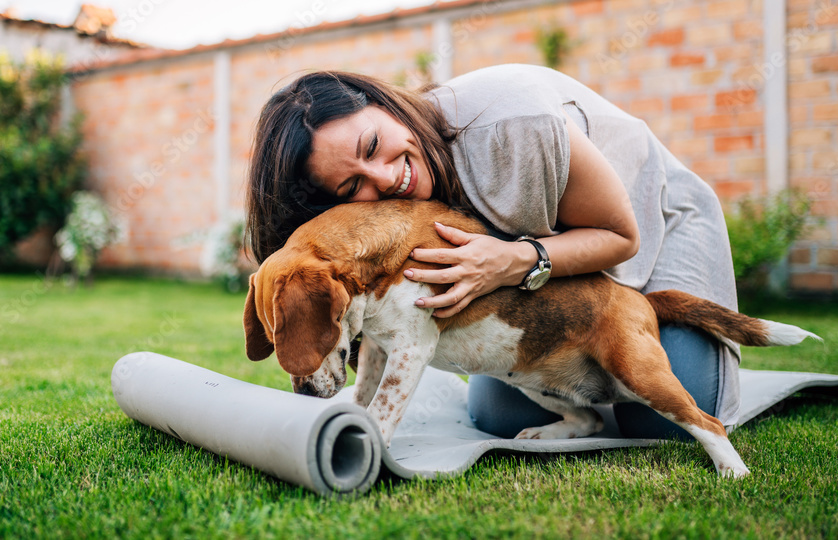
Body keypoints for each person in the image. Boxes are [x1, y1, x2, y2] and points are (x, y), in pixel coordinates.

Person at [245, 63, 740, 439]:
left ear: (383, 103)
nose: (385, 178)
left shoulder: (509, 129)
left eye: (373, 145)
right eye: (353, 185)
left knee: (662, 425)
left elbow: (620, 238)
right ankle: (594, 384)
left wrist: (515, 261)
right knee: (499, 416)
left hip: (654, 221)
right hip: (563, 287)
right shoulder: (391, 216)